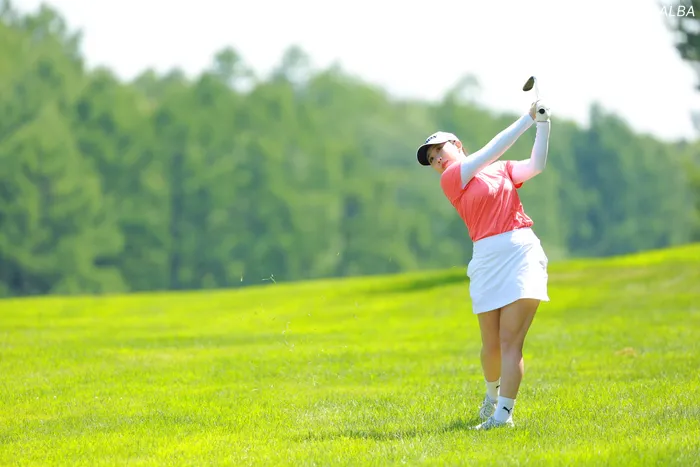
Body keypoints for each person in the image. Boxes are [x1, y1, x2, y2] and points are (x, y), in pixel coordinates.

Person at [415, 100, 551, 430]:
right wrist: (527, 119)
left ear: (457, 144)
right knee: (490, 344)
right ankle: (492, 396)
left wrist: (543, 125)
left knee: (510, 341)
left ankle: (503, 415)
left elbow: (536, 165)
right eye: (432, 159)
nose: (437, 159)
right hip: (487, 260)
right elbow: (491, 151)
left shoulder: (501, 169)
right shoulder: (452, 179)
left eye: (440, 150)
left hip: (521, 252)